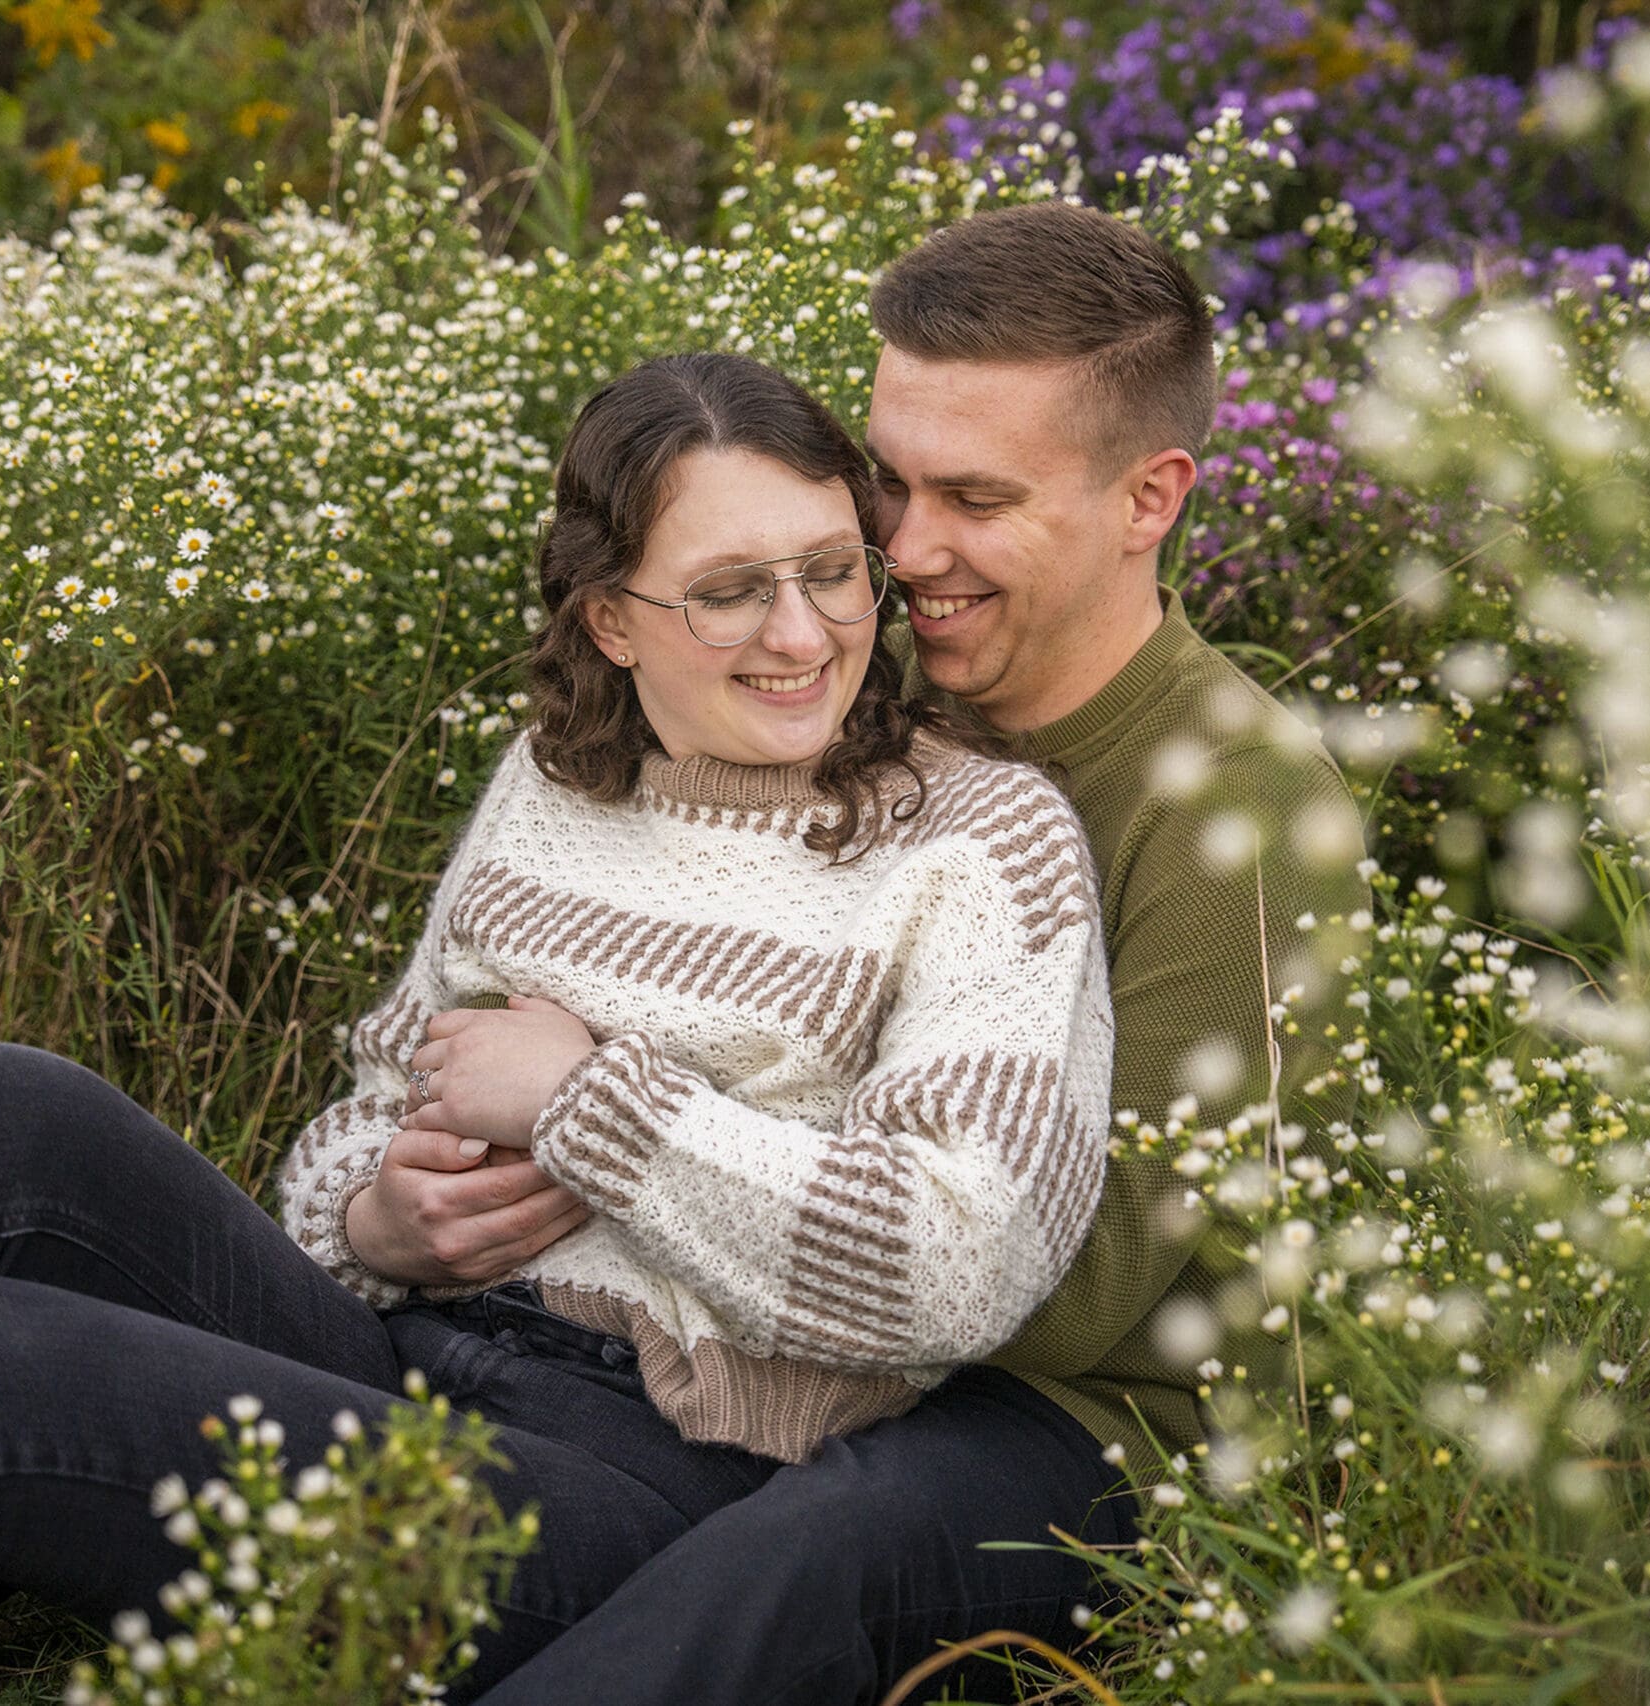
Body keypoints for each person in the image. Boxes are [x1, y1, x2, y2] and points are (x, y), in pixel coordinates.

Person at [0, 352, 1113, 1705]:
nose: (807, 632)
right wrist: (375, 1212)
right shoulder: (557, 786)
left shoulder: (977, 842)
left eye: (835, 571)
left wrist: (598, 1100)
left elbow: (961, 1255)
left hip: (640, 1502)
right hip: (402, 1361)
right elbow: (371, 1104)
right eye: (732, 591)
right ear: (612, 616)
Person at [458, 204, 1369, 1704]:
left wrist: (616, 1119)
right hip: (791, 1352)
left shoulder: (1247, 807)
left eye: (976, 495)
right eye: (889, 475)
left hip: (1082, 1439)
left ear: (1150, 498)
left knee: (817, 1551)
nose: (904, 544)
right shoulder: (846, 702)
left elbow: (1059, 1291)